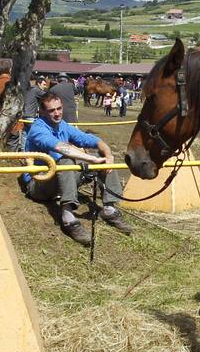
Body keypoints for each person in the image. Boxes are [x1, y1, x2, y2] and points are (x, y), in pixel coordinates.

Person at [22, 93, 132, 244]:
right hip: (39, 183)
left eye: (59, 108)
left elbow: (92, 140)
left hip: (61, 178)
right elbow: (60, 147)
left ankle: (109, 209)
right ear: (42, 112)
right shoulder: (37, 129)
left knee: (103, 158)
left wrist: (108, 154)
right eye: (51, 110)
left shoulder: (64, 126)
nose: (57, 113)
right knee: (65, 160)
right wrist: (90, 158)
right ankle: (68, 218)